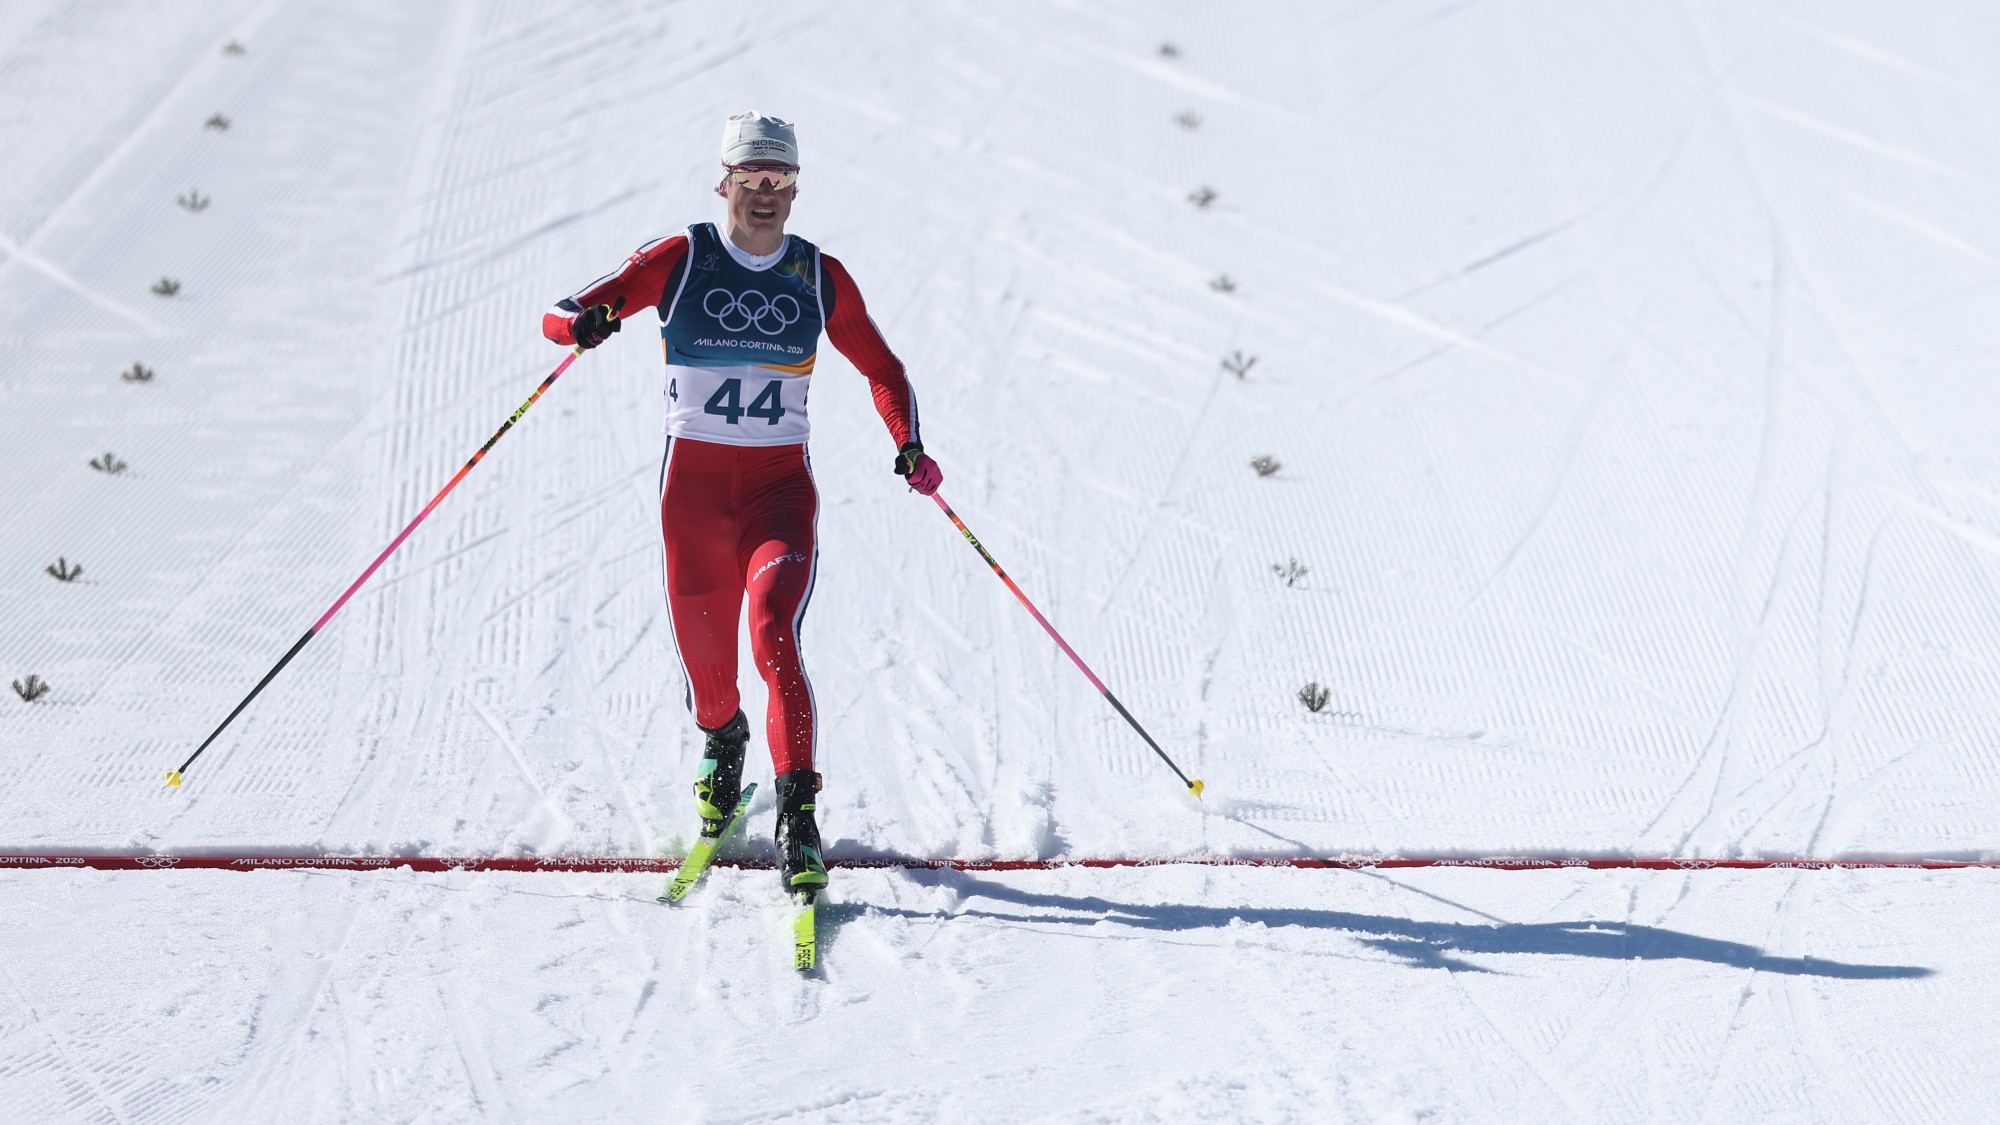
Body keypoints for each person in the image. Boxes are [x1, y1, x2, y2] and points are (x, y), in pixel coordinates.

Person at [542, 111, 941, 897]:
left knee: (773, 631)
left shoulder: (817, 275)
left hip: (777, 494)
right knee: (711, 675)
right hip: (690, 498)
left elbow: (884, 369)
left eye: (780, 178)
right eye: (751, 177)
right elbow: (564, 311)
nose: (765, 192)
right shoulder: (682, 257)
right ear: (724, 182)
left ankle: (800, 818)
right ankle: (723, 741)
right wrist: (583, 324)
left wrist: (909, 442)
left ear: (795, 187)